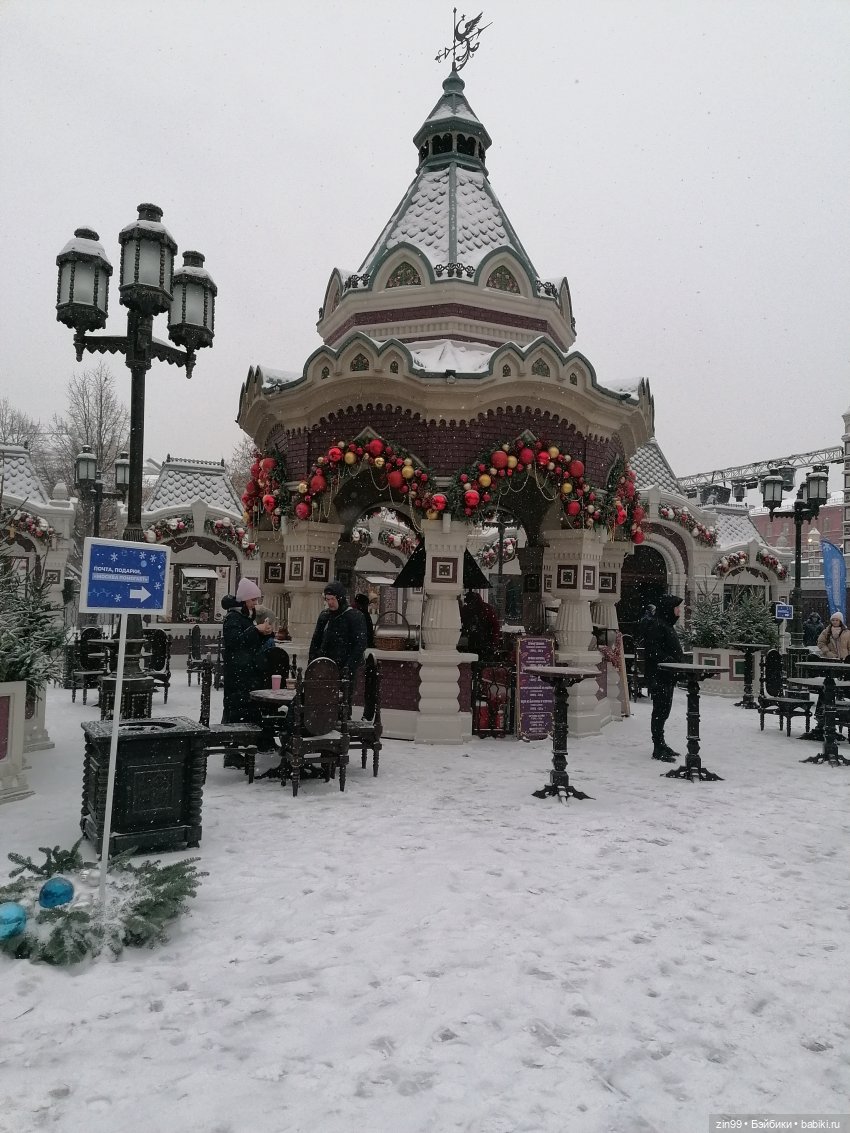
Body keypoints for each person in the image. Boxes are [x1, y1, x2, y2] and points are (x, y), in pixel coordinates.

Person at [221, 578, 275, 740]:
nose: (255, 603)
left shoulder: (244, 617)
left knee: (248, 709)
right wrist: (256, 630)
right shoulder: (233, 617)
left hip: (246, 672)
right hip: (237, 673)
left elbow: (250, 643)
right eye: (252, 599)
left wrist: (265, 634)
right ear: (244, 600)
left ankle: (252, 742)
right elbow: (235, 642)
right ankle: (234, 748)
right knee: (237, 710)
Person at [641, 594, 685, 761]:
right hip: (660, 675)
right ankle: (657, 746)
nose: (679, 611)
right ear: (669, 610)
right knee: (660, 711)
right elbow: (654, 651)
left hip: (667, 675)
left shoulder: (665, 624)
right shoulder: (657, 625)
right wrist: (671, 662)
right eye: (676, 608)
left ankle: (661, 743)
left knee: (664, 710)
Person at [309, 580, 367, 677]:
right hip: (324, 667)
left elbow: (360, 645)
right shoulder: (325, 616)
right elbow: (316, 641)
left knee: (344, 691)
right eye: (327, 599)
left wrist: (348, 668)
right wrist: (312, 663)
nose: (330, 602)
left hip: (345, 669)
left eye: (333, 599)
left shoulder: (355, 617)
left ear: (340, 598)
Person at [459, 590, 502, 659]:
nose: (470, 605)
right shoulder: (467, 609)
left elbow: (495, 626)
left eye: (471, 603)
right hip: (474, 641)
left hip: (485, 641)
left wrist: (494, 642)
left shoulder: (485, 609)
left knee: (479, 660)